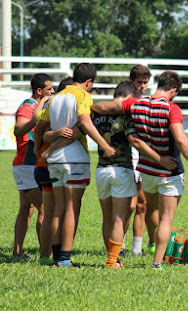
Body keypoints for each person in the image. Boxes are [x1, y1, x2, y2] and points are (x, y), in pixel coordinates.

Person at [91, 71, 188, 270]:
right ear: (174, 90)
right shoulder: (172, 108)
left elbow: (105, 107)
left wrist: (87, 105)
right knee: (166, 219)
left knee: (151, 210)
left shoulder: (136, 103)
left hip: (147, 171)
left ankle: (137, 248)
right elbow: (180, 138)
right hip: (169, 171)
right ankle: (157, 262)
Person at [34, 63, 119, 267]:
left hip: (54, 159)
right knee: (72, 209)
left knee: (57, 210)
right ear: (89, 82)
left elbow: (39, 127)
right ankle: (64, 258)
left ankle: (56, 257)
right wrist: (105, 145)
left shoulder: (55, 97)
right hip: (75, 159)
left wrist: (39, 152)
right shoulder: (82, 96)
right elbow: (85, 122)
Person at [12, 73, 54, 260]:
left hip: (26, 165)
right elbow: (18, 129)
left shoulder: (39, 106)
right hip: (26, 164)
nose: (53, 91)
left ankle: (18, 252)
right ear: (39, 91)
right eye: (50, 89)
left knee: (26, 209)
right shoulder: (28, 107)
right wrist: (35, 120)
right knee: (44, 209)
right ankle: (47, 253)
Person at [35, 76, 74, 265]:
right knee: (59, 211)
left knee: (47, 214)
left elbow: (38, 125)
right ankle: (59, 256)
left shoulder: (51, 106)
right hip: (53, 166)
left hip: (42, 165)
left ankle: (44, 256)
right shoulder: (65, 108)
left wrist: (36, 149)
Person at [128, 64, 156, 256]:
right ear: (132, 82)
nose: (142, 86)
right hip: (126, 159)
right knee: (128, 205)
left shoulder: (149, 103)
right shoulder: (125, 103)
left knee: (143, 204)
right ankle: (120, 245)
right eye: (139, 83)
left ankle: (142, 246)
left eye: (145, 83)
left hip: (145, 159)